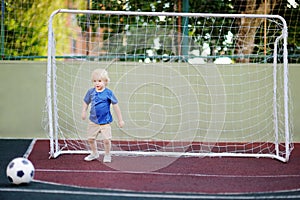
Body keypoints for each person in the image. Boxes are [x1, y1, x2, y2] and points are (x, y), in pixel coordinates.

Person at [81, 68, 124, 163]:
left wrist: (120, 119)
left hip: (105, 121)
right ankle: (94, 153)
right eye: (94, 81)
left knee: (106, 140)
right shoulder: (90, 92)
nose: (97, 83)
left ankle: (107, 154)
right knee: (91, 139)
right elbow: (86, 102)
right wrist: (84, 111)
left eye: (99, 81)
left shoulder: (108, 93)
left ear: (105, 81)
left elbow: (116, 106)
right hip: (93, 121)